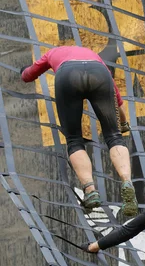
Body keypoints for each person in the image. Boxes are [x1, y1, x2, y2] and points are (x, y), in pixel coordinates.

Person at [21, 46, 138, 216]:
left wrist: (23, 72)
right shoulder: (94, 57)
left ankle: (90, 190)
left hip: (68, 75)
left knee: (74, 140)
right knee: (114, 137)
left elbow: (29, 75)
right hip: (99, 74)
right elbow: (116, 96)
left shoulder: (52, 53)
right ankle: (127, 181)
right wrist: (123, 121)